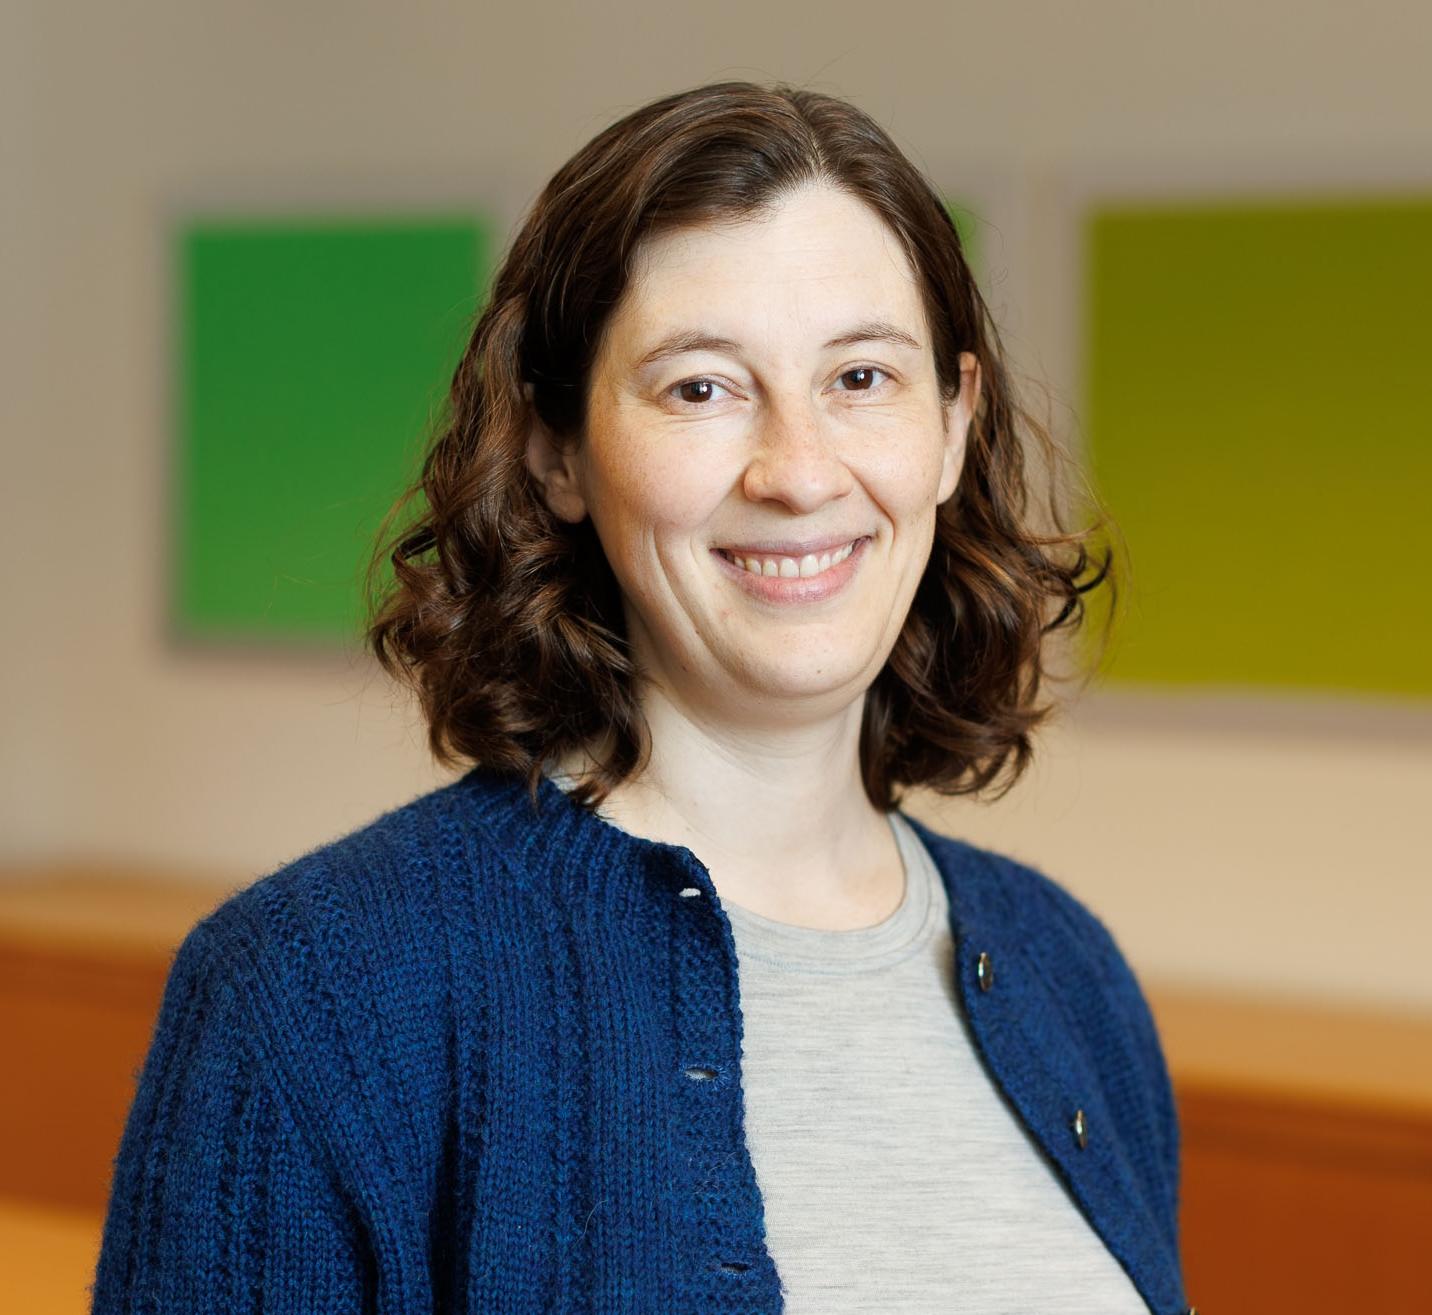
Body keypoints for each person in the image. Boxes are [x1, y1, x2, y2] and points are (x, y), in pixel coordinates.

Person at [89, 81, 1193, 1315]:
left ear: (952, 422)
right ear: (559, 451)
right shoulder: (315, 991)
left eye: (863, 378)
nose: (797, 470)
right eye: (701, 388)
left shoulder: (1068, 974)